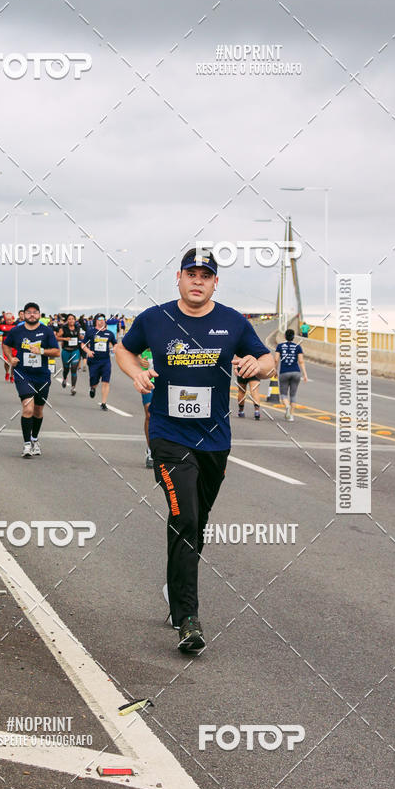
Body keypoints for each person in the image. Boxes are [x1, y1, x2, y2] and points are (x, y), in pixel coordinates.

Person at [115, 247, 273, 654]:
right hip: (169, 437)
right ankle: (188, 619)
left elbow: (267, 356)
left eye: (206, 275)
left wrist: (259, 366)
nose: (198, 281)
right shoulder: (156, 318)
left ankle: (175, 583)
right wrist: (136, 373)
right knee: (183, 517)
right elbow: (124, 349)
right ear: (179, 278)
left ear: (215, 282)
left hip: (215, 440)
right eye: (191, 274)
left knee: (196, 522)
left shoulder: (232, 322)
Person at [2, 302, 60, 457]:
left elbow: (56, 352)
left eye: (35, 312)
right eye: (29, 312)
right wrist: (10, 358)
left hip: (42, 375)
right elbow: (6, 345)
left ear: (39, 314)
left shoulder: (46, 331)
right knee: (28, 408)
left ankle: (35, 439)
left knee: (38, 410)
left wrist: (41, 351)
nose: (32, 315)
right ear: (24, 314)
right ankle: (27, 444)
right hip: (23, 374)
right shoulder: (17, 331)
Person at [81, 314, 116, 410]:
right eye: (99, 319)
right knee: (94, 380)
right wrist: (88, 351)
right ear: (96, 321)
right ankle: (93, 387)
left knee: (106, 382)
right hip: (94, 361)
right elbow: (83, 344)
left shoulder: (109, 333)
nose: (102, 321)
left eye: (103, 319)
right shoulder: (91, 332)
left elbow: (115, 344)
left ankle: (103, 403)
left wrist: (114, 348)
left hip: (105, 361)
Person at [274, 329, 308, 421]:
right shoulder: (298, 347)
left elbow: (276, 360)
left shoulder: (280, 346)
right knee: (293, 395)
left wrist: (275, 370)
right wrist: (305, 374)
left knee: (284, 394)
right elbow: (301, 361)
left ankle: (287, 406)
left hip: (284, 372)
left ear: (285, 336)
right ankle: (291, 416)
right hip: (296, 372)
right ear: (293, 337)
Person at [56, 313, 83, 395]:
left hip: (75, 350)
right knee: (66, 368)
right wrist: (64, 338)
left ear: (75, 320)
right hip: (66, 351)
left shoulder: (78, 328)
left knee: (74, 369)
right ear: (67, 320)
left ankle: (73, 388)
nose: (71, 320)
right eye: (69, 319)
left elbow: (79, 336)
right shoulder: (63, 328)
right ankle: (64, 378)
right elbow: (56, 337)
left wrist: (81, 337)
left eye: (73, 319)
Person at [139, 348, 155, 468]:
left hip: (165, 381)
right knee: (149, 414)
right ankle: (150, 451)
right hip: (147, 381)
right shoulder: (144, 331)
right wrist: (138, 359)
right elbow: (126, 350)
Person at [0, 312, 16, 381]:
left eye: (10, 319)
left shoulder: (16, 325)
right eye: (7, 320)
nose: (9, 321)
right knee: (7, 361)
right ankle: (7, 372)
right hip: (5, 346)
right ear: (5, 319)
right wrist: (0, 333)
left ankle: (12, 375)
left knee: (14, 361)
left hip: (14, 346)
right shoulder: (2, 324)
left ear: (12, 319)